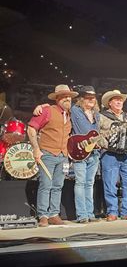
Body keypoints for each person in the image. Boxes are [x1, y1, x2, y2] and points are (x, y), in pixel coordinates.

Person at [27, 84, 78, 227]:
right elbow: (31, 129)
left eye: (69, 96)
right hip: (48, 153)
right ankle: (43, 215)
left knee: (58, 185)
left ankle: (54, 214)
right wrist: (36, 149)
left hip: (63, 155)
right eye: (63, 96)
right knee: (46, 185)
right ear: (57, 98)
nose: (67, 98)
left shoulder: (70, 114)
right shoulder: (47, 110)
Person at [99, 89, 127, 221]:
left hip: (126, 154)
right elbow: (96, 134)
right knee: (110, 184)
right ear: (109, 103)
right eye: (116, 99)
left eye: (120, 100)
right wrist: (106, 143)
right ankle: (112, 212)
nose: (119, 102)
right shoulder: (102, 116)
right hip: (109, 154)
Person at [70, 86, 101, 223]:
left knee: (90, 183)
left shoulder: (97, 114)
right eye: (88, 97)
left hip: (93, 152)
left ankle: (90, 213)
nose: (91, 99)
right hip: (79, 151)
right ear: (81, 98)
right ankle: (82, 215)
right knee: (80, 182)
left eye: (93, 97)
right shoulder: (75, 110)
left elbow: (95, 133)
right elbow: (84, 129)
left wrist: (98, 142)